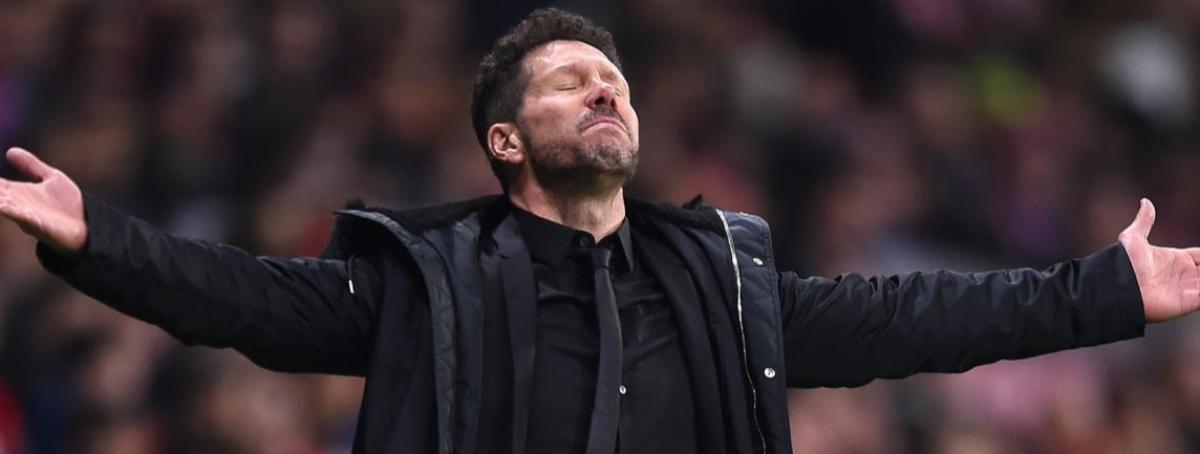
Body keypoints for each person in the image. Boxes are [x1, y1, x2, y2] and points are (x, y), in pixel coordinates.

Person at [0, 7, 1197, 454]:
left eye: (613, 78)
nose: (605, 89)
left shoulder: (725, 280)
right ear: (505, 139)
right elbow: (240, 297)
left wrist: (1105, 289)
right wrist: (95, 237)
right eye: (571, 80)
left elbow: (913, 318)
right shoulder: (425, 282)